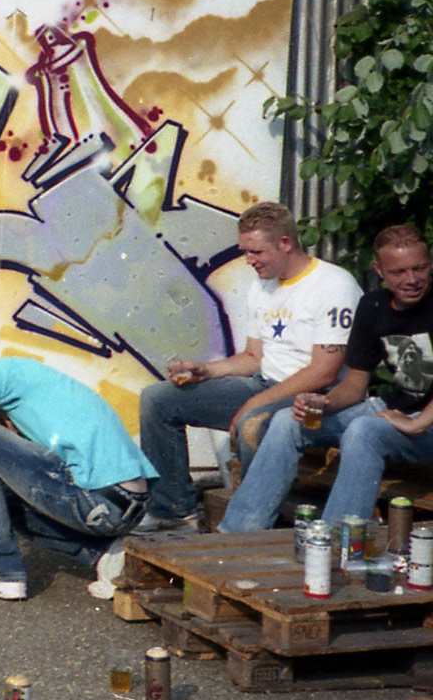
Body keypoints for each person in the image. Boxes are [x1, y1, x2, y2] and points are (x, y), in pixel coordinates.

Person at [137, 201, 361, 531]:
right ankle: (173, 513)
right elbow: (254, 358)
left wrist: (254, 403)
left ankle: (251, 529)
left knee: (252, 422)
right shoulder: (263, 284)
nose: (249, 260)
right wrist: (207, 370)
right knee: (158, 399)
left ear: (285, 243)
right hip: (266, 386)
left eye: (256, 251)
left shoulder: (334, 285)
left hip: (317, 400)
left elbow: (323, 372)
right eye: (245, 251)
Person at [218, 225, 433, 531]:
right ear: (379, 270)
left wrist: (418, 423)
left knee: (364, 431)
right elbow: (355, 385)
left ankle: (336, 541)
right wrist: (323, 403)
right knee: (288, 421)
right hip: (394, 410)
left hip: (423, 422)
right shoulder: (373, 306)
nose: (411, 279)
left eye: (419, 268)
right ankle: (240, 532)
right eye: (398, 272)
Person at [0, 350, 157, 601]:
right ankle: (105, 554)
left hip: (99, 501)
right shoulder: (32, 394)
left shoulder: (2, 372)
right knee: (5, 497)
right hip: (124, 507)